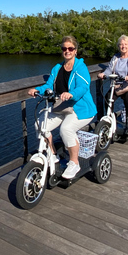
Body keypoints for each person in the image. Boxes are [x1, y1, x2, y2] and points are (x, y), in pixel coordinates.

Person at [27, 36, 96, 179]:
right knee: (40, 125)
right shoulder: (57, 68)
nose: (67, 51)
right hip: (61, 107)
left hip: (79, 108)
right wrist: (37, 90)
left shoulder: (81, 68)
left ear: (75, 51)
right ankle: (52, 155)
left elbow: (83, 87)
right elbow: (49, 85)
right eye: (64, 48)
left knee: (66, 129)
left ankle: (74, 162)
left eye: (70, 48)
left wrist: (71, 94)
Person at [98, 35, 128, 136]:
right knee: (108, 98)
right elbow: (110, 68)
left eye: (125, 44)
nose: (123, 46)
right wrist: (104, 74)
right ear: (119, 46)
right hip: (119, 85)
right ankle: (111, 119)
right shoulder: (116, 57)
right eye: (121, 44)